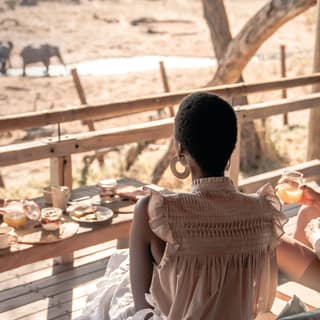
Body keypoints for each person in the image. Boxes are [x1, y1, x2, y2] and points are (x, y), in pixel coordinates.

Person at [77, 92, 288, 320]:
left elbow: (143, 310)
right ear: (231, 148)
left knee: (110, 288)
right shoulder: (263, 211)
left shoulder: (154, 211)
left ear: (179, 150)